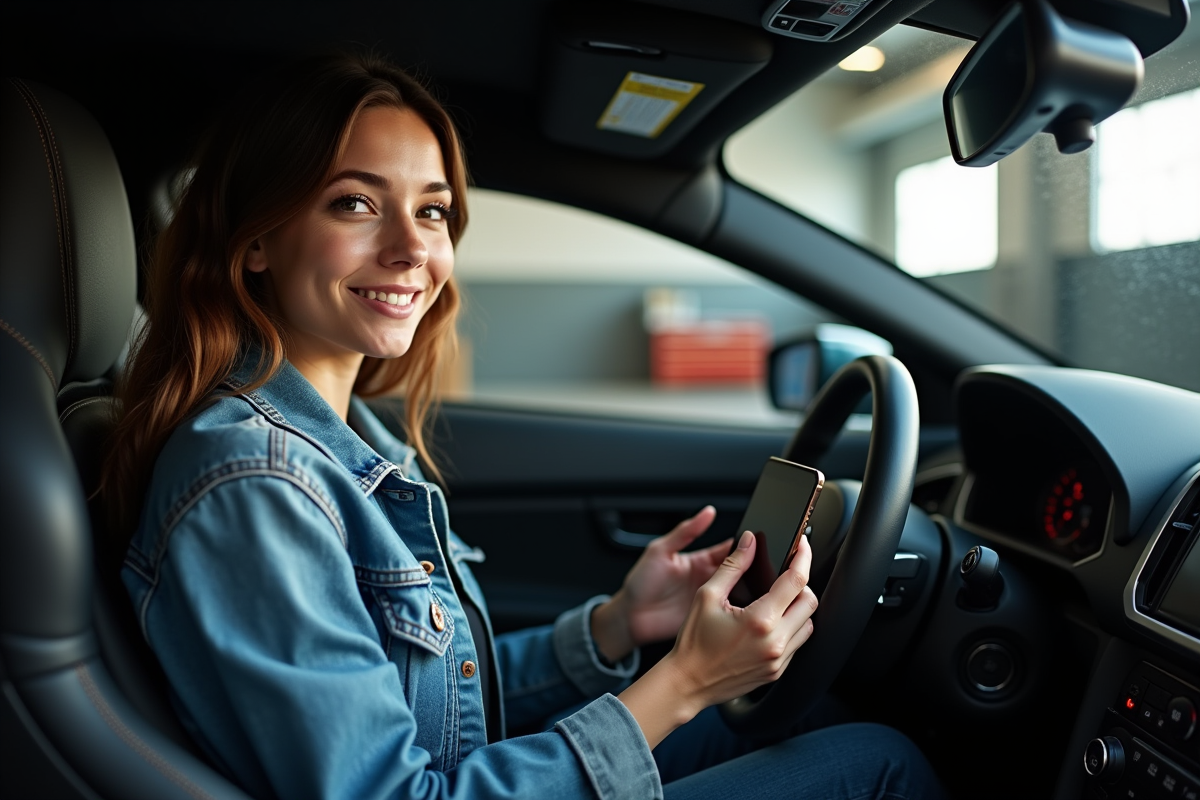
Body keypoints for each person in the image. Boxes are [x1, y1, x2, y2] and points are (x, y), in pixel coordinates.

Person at [101, 52, 944, 800]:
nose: (409, 250)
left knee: (814, 715)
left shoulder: (342, 439)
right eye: (355, 203)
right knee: (879, 762)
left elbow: (437, 716)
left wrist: (620, 623)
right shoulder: (255, 482)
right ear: (257, 241)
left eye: (432, 212)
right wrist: (685, 680)